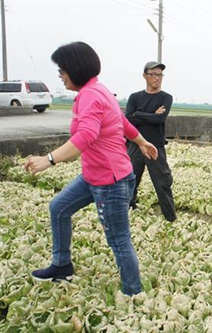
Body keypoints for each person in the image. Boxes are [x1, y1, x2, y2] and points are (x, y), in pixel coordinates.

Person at [24, 42, 158, 295]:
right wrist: (141, 142)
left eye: (62, 70)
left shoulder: (91, 95)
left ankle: (133, 293)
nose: (61, 76)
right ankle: (62, 265)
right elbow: (121, 122)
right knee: (59, 208)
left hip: (110, 181)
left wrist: (48, 159)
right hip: (94, 175)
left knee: (118, 240)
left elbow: (85, 136)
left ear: (75, 69)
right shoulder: (97, 89)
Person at [125, 61, 176, 222]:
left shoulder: (166, 98)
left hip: (156, 146)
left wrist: (139, 114)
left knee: (163, 182)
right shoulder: (135, 97)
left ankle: (170, 216)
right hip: (135, 144)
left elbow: (159, 118)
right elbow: (128, 121)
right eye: (153, 74)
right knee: (130, 180)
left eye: (160, 75)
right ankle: (128, 210)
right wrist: (150, 115)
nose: (157, 78)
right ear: (144, 76)